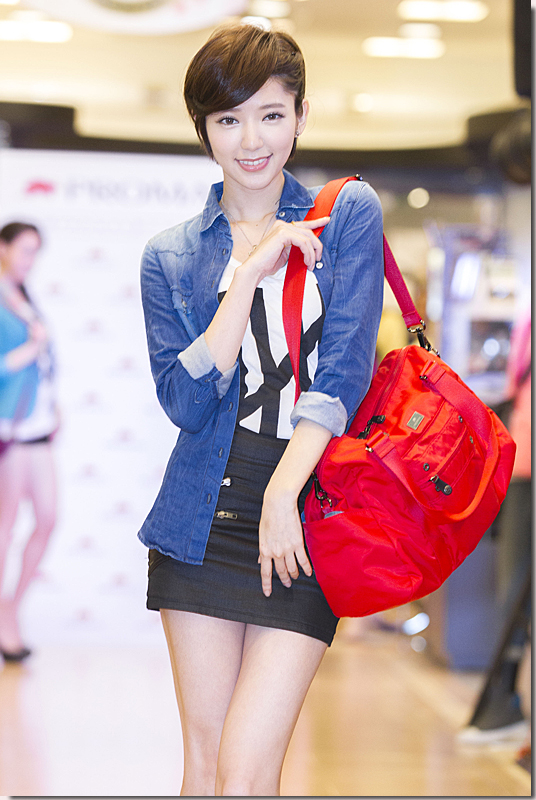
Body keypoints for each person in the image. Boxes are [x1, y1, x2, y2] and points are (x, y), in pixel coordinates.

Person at [139, 23, 383, 796]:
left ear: (301, 116)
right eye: (229, 119)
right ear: (204, 128)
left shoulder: (345, 215)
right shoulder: (172, 255)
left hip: (302, 511)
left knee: (247, 774)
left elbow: (344, 372)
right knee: (208, 767)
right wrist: (245, 277)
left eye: (271, 115)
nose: (252, 140)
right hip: (199, 518)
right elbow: (184, 402)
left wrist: (284, 494)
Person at [0, 222, 59, 662]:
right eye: (23, 250)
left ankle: (10, 608)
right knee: (5, 527)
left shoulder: (22, 295)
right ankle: (6, 624)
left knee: (47, 518)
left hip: (38, 425)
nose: (29, 260)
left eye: (35, 252)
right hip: (10, 429)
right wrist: (30, 349)